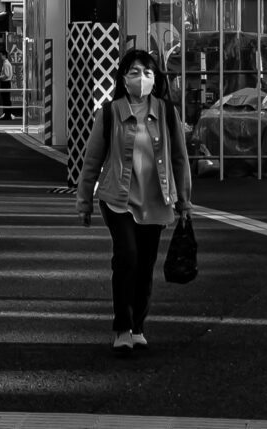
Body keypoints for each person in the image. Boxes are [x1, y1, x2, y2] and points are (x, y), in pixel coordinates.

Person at [74, 47, 193, 356]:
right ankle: (122, 328)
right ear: (123, 78)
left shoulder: (167, 112)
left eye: (148, 73)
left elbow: (180, 159)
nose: (141, 78)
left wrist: (184, 202)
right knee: (127, 256)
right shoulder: (111, 112)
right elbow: (92, 160)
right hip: (118, 199)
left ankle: (138, 327)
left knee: (145, 264)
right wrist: (84, 201)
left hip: (155, 200)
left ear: (157, 79)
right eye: (135, 72)